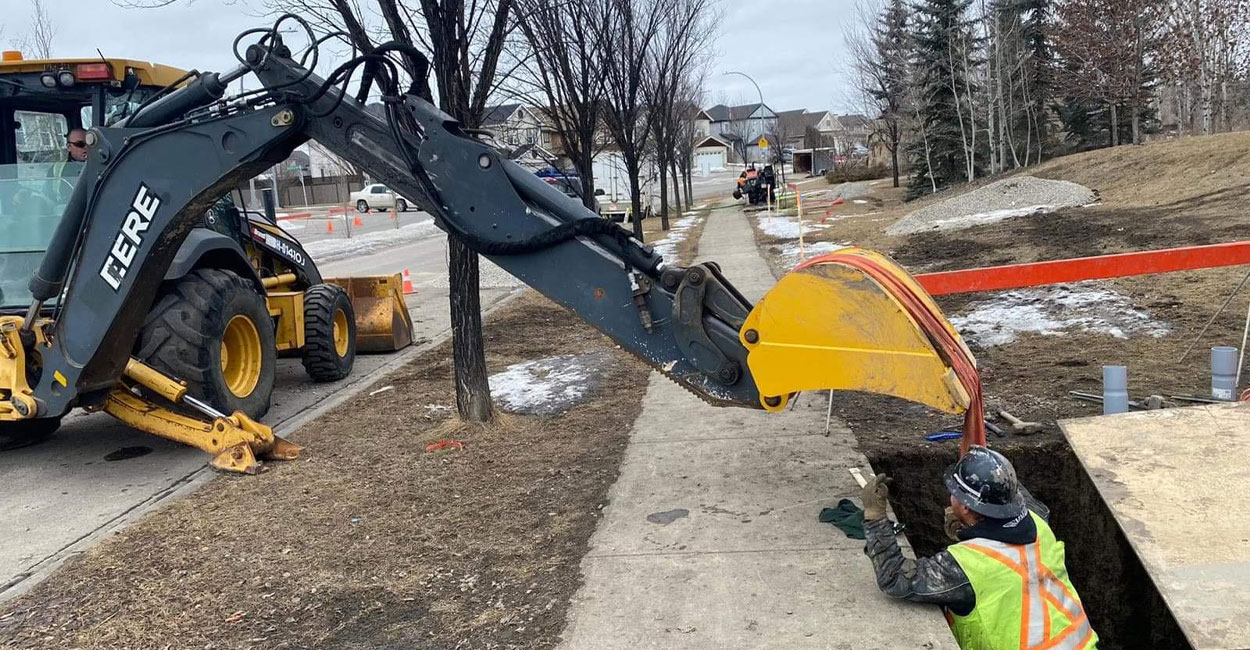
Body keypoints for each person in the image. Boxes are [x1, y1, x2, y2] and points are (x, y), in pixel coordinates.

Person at [860, 446, 1099, 650]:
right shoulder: (1038, 520)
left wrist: (875, 517)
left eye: (953, 492)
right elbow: (1009, 503)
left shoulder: (964, 566)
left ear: (965, 507)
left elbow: (894, 578)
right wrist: (969, 531)